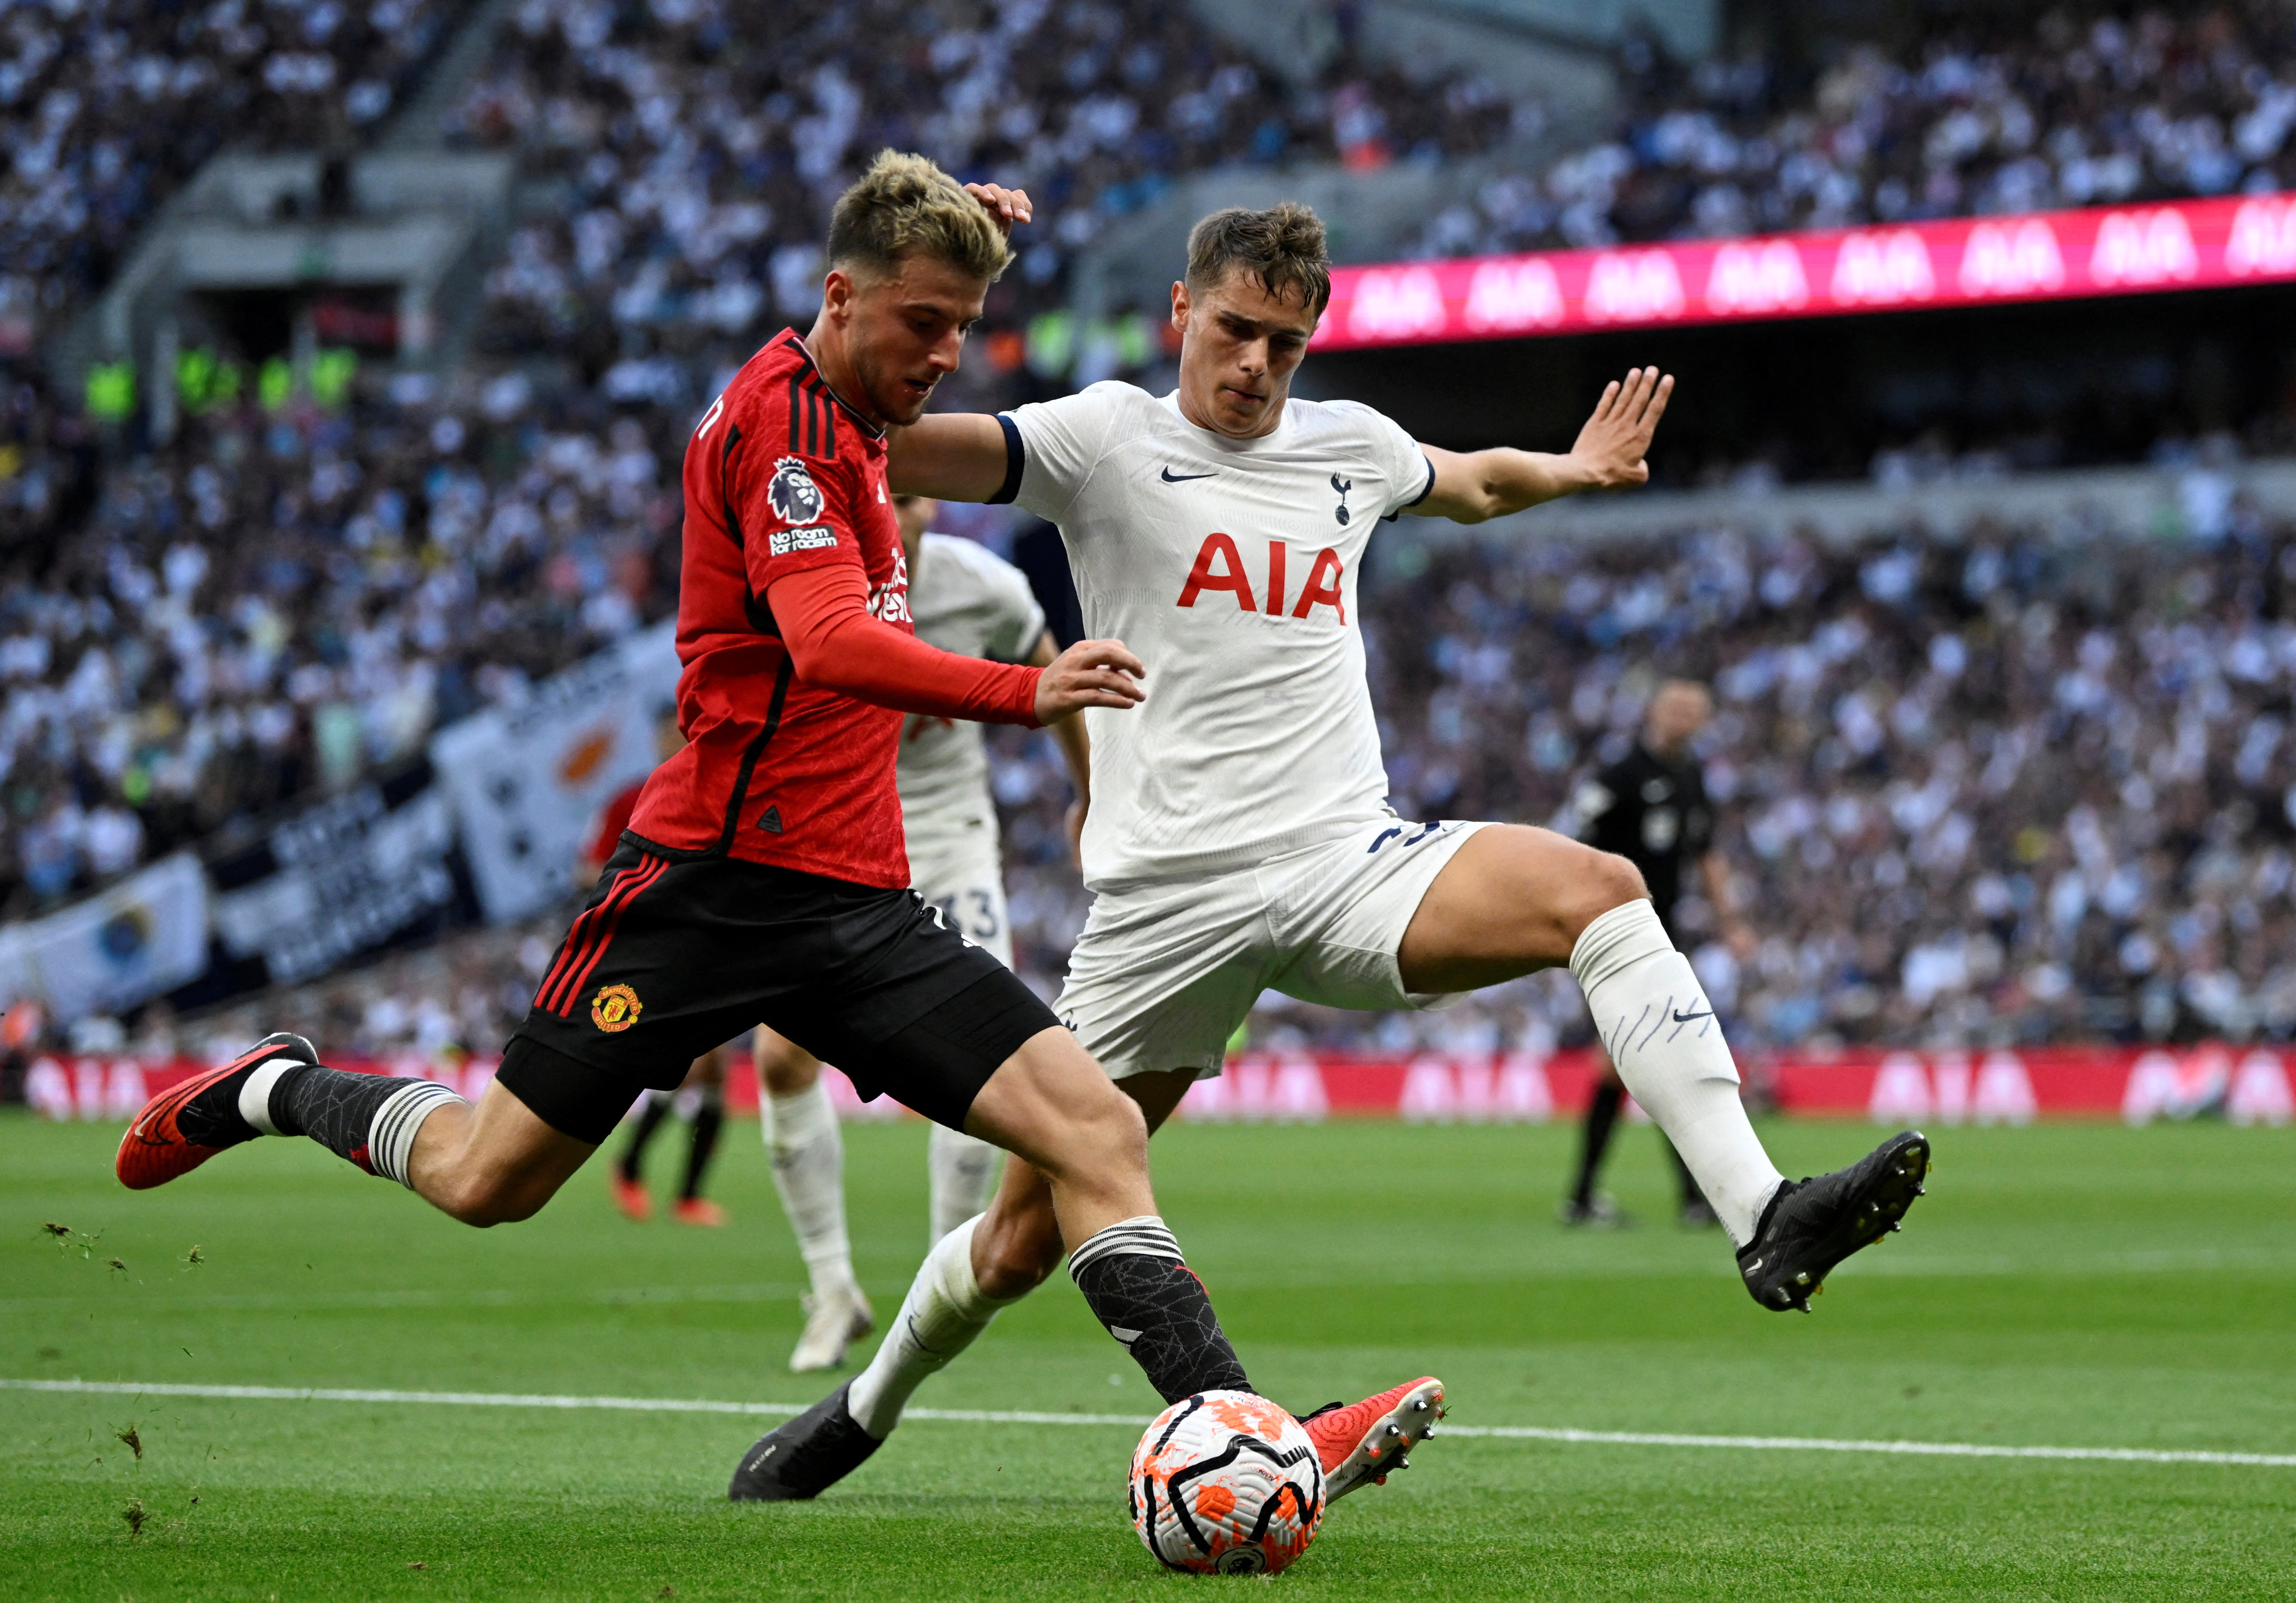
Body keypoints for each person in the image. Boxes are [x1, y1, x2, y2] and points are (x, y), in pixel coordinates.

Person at [115, 153, 1442, 1513]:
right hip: (705, 888)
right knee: (484, 1178)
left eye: (962, 326)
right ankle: (278, 1086)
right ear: (839, 299)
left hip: (856, 904)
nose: (947, 355)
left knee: (1093, 1128)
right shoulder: (788, 431)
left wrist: (956, 224)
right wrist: (1023, 689)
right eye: (922, 323)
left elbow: (894, 259)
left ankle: (1255, 1435)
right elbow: (828, 641)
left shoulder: (861, 398)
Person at [790, 194, 1930, 1473]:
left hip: (1342, 862)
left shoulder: (1351, 446)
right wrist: (875, 299)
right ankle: (862, 1406)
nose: (1254, 364)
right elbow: (886, 447)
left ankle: (1763, 1211)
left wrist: (1577, 468)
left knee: (1599, 888)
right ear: (1180, 310)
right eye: (1233, 330)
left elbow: (1476, 481)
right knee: (1016, 1242)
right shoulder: (1100, 438)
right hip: (1165, 901)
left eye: (1284, 343)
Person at [755, 487, 1091, 1372]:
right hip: (833, 839)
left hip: (948, 837)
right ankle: (833, 1289)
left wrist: (1090, 793)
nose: (898, 515)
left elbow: (1055, 677)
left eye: (906, 497)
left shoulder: (980, 585)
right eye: (880, 498)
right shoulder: (801, 582)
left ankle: (943, 1279)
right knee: (780, 1058)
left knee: (985, 1053)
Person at [1562, 679, 1756, 1229]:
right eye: (1676, 707)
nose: (1683, 717)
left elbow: (1707, 854)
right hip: (1614, 935)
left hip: (1663, 936)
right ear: (1654, 711)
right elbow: (1577, 851)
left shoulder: (1693, 778)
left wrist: (1732, 922)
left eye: (1694, 710)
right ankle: (1680, 1200)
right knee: (1654, 1057)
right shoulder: (1620, 775)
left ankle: (1594, 1198)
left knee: (1646, 1059)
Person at [576, 720, 730, 1228]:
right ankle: (634, 1169)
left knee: (714, 1072)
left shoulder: (725, 794)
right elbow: (588, 869)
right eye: (677, 734)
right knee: (696, 1064)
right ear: (662, 740)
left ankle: (683, 1192)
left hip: (712, 943)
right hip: (660, 944)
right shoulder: (632, 798)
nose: (686, 742)